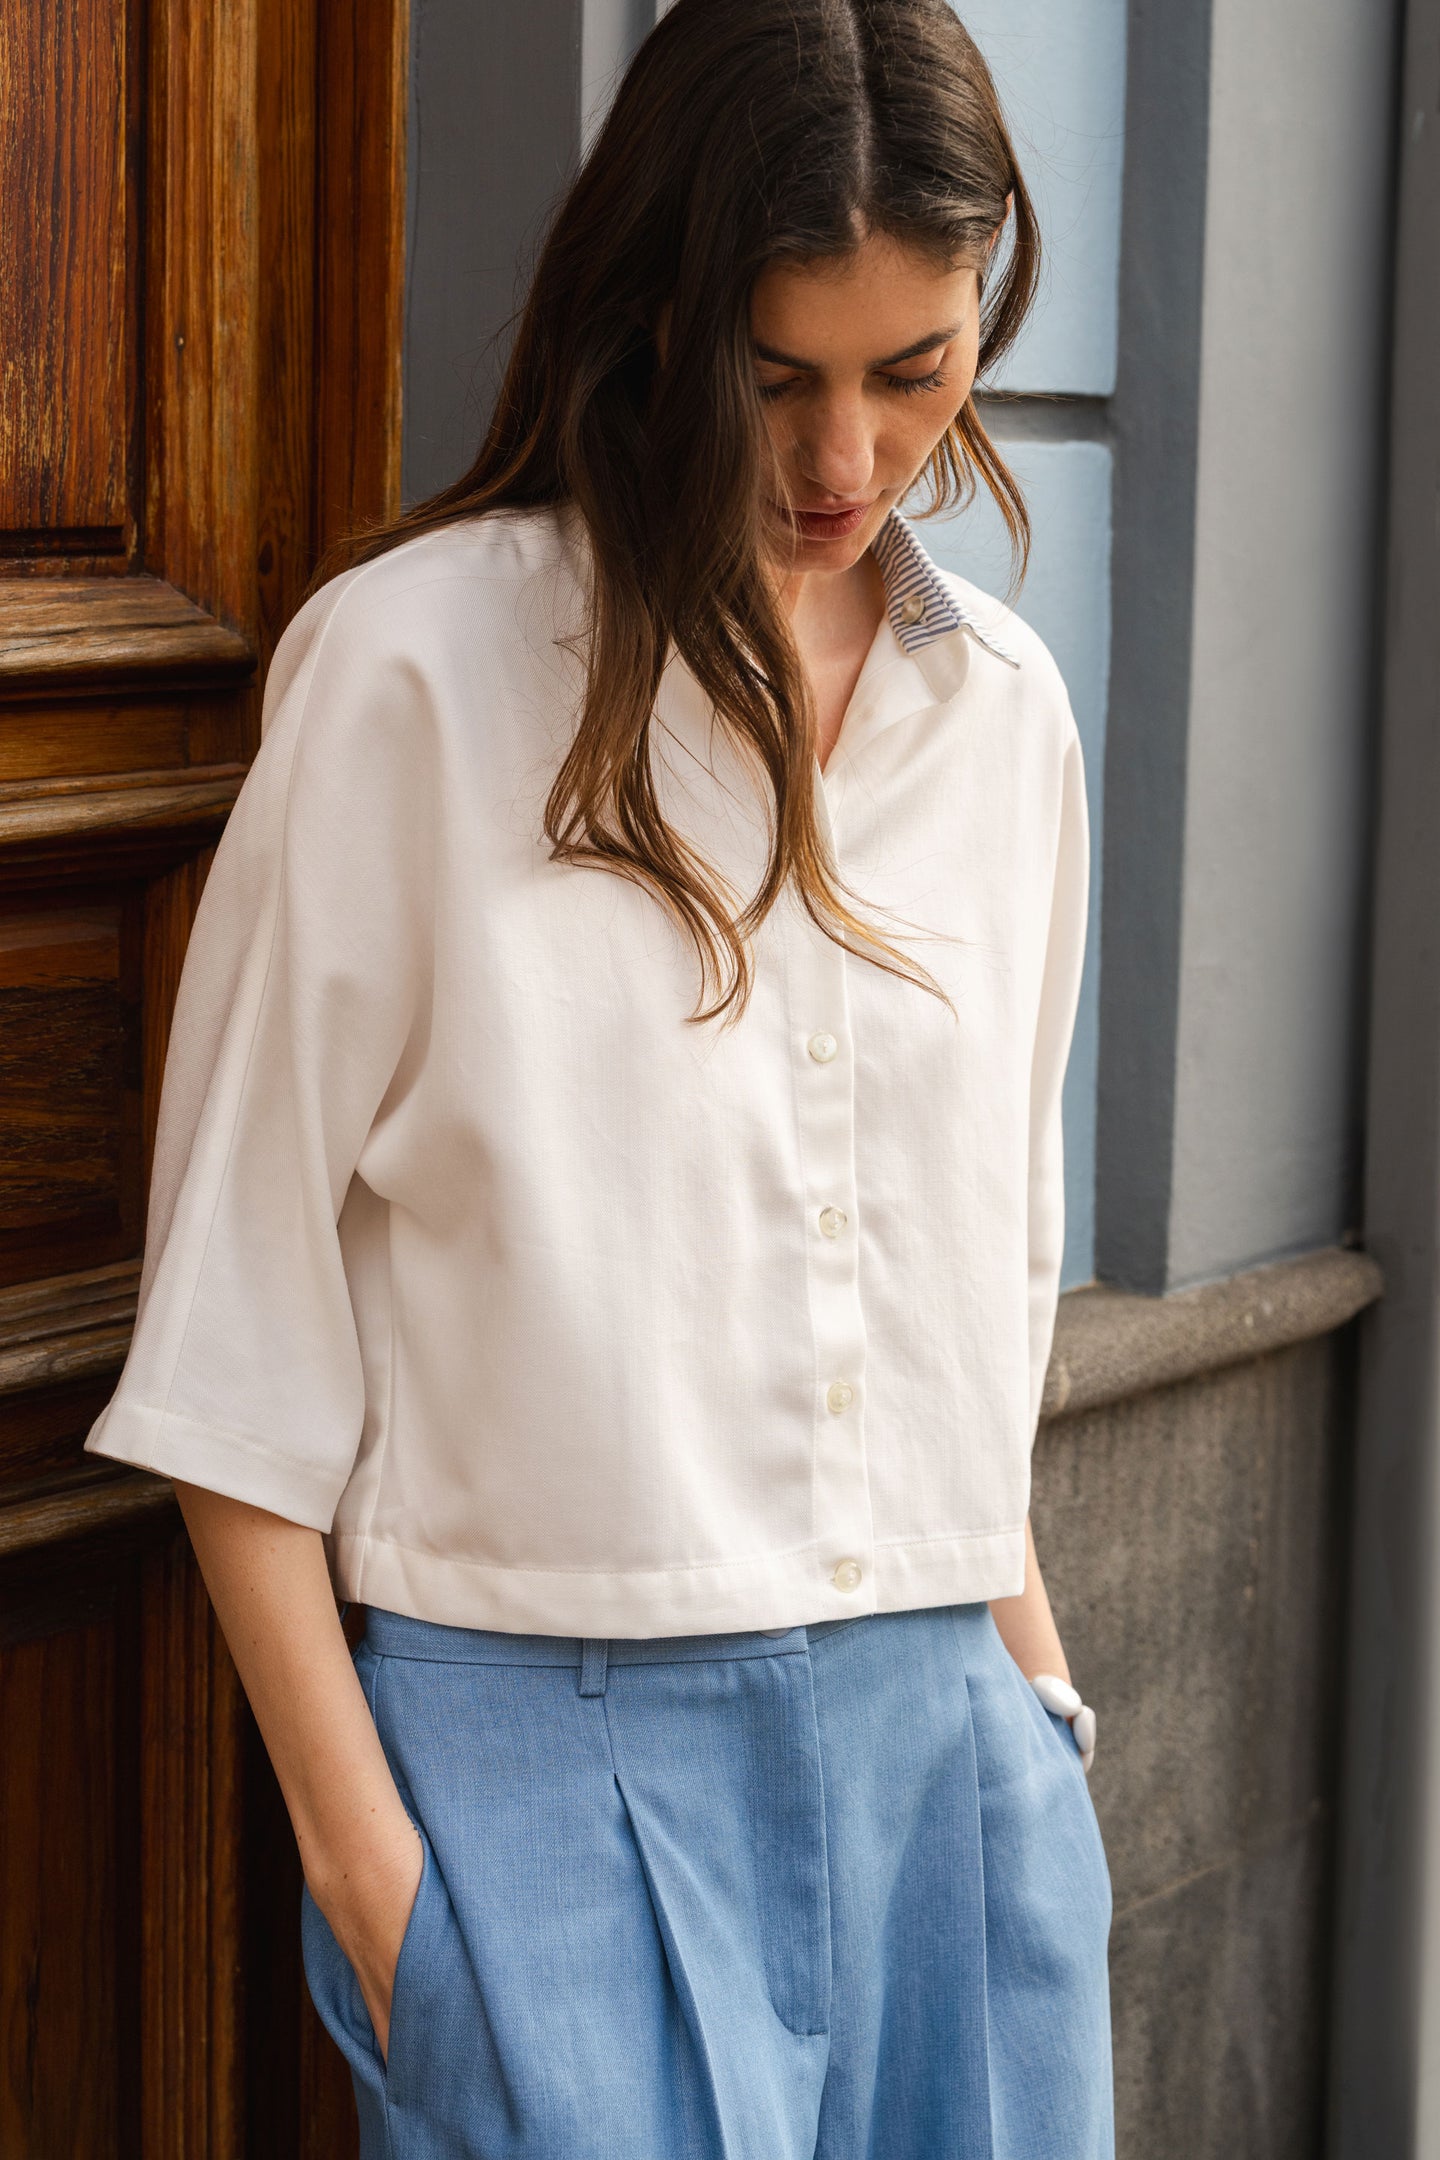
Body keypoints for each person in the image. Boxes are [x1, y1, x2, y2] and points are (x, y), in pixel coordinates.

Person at [86, 0, 1114, 2152]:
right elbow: (233, 1351)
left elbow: (990, 1263)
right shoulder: (414, 678)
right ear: (654, 316)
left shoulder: (1002, 719)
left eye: (912, 374)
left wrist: (1033, 1712)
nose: (845, 461)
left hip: (955, 1771)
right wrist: (388, 1901)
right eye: (777, 376)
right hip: (547, 1787)